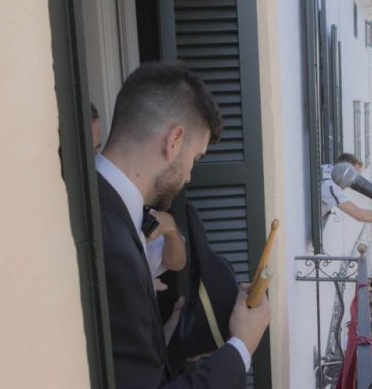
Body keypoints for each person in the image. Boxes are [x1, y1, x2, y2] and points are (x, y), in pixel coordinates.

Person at [96, 62, 271, 388]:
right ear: (174, 140)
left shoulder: (103, 210)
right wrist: (242, 344)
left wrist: (167, 341)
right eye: (196, 158)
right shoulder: (112, 242)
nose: (189, 175)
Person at [321, 153, 372, 225]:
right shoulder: (330, 187)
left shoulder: (327, 168)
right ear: (345, 171)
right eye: (353, 175)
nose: (353, 182)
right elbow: (360, 215)